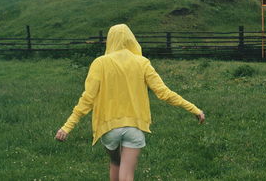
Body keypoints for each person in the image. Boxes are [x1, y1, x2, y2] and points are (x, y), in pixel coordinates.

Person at [55, 24, 205, 181]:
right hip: (135, 127)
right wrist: (194, 109)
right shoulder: (142, 63)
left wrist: (67, 127)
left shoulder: (99, 63)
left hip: (108, 128)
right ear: (131, 40)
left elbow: (87, 99)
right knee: (126, 175)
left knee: (115, 163)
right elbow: (164, 93)